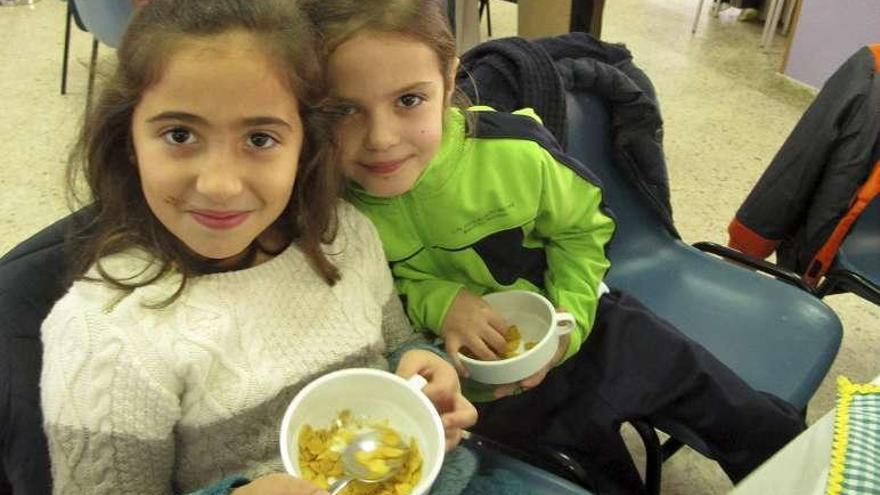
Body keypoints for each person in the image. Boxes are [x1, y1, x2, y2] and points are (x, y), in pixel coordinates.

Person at [301, 0, 807, 492]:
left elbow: (584, 231)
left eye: (409, 100)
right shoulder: (333, 210)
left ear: (450, 82)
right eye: (344, 110)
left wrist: (571, 322)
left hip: (590, 321)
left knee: (736, 411)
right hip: (486, 386)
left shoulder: (515, 153)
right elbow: (382, 298)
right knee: (590, 476)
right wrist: (443, 302)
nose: (382, 139)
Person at [38, 1, 478, 494]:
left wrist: (421, 365)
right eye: (179, 134)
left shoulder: (344, 234)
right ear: (128, 141)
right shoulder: (105, 335)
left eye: (261, 138)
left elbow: (395, 344)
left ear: (306, 144)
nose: (221, 185)